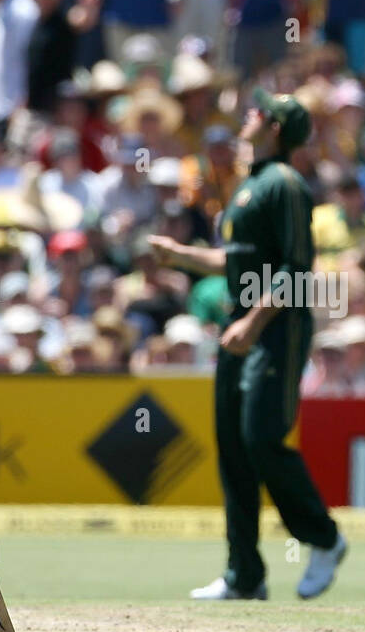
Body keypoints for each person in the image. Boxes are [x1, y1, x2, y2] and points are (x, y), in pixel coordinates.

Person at [148, 90, 347, 601]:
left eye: (257, 113)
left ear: (275, 128)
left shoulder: (284, 183)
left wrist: (255, 324)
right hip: (243, 324)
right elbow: (236, 261)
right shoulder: (250, 184)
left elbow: (297, 270)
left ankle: (323, 537)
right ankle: (244, 573)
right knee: (234, 447)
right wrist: (179, 255)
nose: (247, 118)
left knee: (261, 438)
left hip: (274, 328)